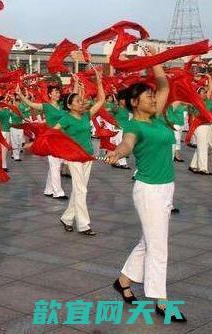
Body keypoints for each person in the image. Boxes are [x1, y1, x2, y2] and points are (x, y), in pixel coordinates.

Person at [105, 48, 187, 322]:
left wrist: (156, 61)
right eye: (148, 97)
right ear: (133, 103)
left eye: (153, 96)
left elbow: (163, 84)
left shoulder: (156, 116)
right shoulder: (134, 126)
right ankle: (160, 300)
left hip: (166, 188)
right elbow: (126, 143)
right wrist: (118, 152)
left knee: (148, 241)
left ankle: (124, 281)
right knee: (158, 246)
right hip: (149, 190)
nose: (154, 98)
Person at [54, 68, 104, 236]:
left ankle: (67, 218)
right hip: (74, 157)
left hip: (88, 156)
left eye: (81, 101)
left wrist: (98, 80)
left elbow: (101, 99)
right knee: (82, 190)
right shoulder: (66, 118)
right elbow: (52, 133)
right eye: (77, 101)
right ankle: (84, 225)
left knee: (78, 190)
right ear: (69, 106)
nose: (81, 103)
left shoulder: (86, 115)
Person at [17, 85, 68, 200]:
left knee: (56, 165)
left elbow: (72, 97)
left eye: (58, 92)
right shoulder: (46, 106)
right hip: (51, 138)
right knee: (55, 165)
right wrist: (20, 95)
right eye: (54, 92)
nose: (57, 94)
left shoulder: (62, 107)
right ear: (49, 94)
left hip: (62, 138)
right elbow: (31, 104)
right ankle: (58, 192)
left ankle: (48, 189)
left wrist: (76, 84)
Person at [189, 77, 212, 174]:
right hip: (200, 126)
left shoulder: (208, 101)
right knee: (202, 146)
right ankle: (203, 168)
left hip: (209, 126)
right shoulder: (195, 103)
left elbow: (210, 89)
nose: (205, 94)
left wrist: (209, 77)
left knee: (205, 146)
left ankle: (193, 165)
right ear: (198, 94)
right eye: (203, 92)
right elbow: (193, 116)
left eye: (205, 92)